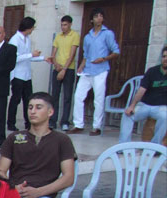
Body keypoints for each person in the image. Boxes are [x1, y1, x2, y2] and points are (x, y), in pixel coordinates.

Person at [68, 8, 120, 136]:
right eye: (96, 16)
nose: (99, 18)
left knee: (98, 99)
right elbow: (86, 54)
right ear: (92, 19)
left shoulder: (107, 33)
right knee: (78, 96)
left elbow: (116, 51)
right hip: (87, 70)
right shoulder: (87, 36)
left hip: (101, 70)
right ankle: (78, 125)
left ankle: (96, 127)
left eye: (101, 16)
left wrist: (104, 59)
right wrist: (81, 66)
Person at [119, 45, 167, 144]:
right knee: (127, 115)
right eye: (164, 56)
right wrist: (132, 106)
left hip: (161, 107)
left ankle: (154, 146)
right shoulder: (152, 71)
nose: (165, 59)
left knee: (165, 118)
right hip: (145, 105)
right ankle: (124, 145)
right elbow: (141, 90)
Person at [7, 17, 46, 133]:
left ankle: (28, 123)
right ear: (28, 27)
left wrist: (43, 58)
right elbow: (14, 58)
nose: (33, 29)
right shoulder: (15, 39)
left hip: (26, 75)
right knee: (16, 99)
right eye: (33, 27)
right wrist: (31, 55)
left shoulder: (27, 39)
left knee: (28, 100)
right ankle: (10, 123)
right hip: (17, 75)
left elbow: (29, 57)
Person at [47, 16, 80, 131]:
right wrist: (56, 65)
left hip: (68, 69)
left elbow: (72, 54)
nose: (63, 27)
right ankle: (52, 121)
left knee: (67, 96)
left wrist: (64, 69)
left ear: (70, 24)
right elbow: (53, 53)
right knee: (54, 95)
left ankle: (65, 121)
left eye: (65, 25)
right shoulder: (58, 36)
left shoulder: (75, 35)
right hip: (57, 68)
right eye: (62, 25)